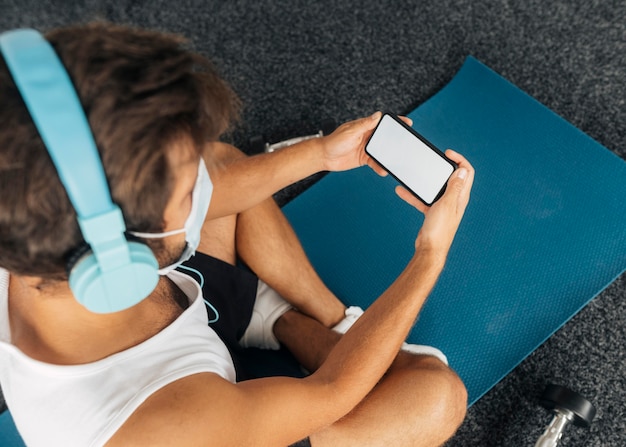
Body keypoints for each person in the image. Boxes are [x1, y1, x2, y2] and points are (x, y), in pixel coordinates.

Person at [0, 22, 474, 447]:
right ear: (115, 254)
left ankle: (280, 318)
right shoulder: (159, 427)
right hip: (220, 421)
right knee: (435, 396)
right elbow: (332, 390)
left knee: (222, 160)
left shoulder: (23, 206)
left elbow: (213, 183)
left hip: (186, 333)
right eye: (187, 192)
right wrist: (430, 253)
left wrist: (322, 154)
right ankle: (280, 320)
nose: (200, 192)